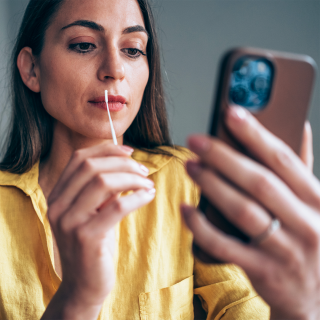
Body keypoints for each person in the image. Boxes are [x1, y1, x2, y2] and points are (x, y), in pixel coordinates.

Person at [0, 0, 319, 319]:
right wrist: (78, 297)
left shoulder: (191, 181)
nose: (115, 69)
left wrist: (301, 306)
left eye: (133, 49)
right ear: (32, 69)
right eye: (84, 45)